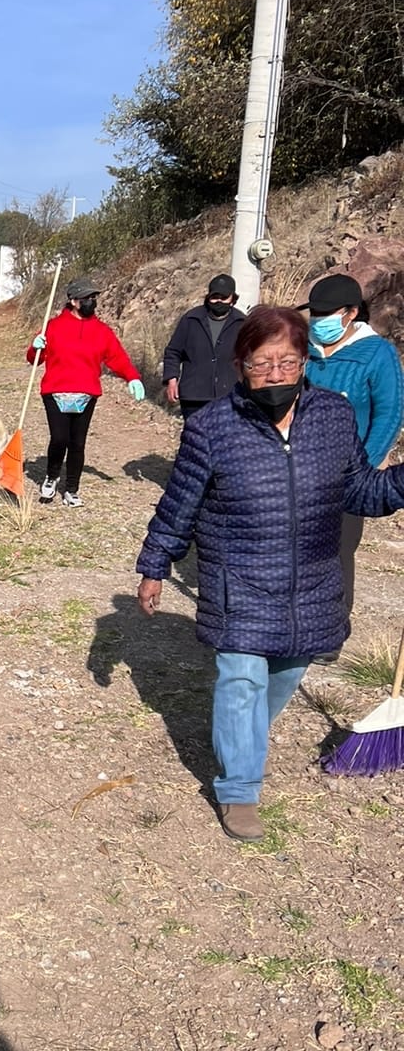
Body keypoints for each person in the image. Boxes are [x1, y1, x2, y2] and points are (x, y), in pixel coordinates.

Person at [136, 305, 404, 842]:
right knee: (241, 678)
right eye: (262, 363)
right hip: (239, 578)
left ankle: (241, 739)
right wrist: (155, 564)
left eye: (287, 361)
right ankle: (239, 788)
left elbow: (359, 491)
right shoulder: (213, 426)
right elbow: (180, 502)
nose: (276, 373)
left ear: (305, 361)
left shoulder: (332, 416)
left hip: (311, 583)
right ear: (241, 366)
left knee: (279, 678)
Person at [303, 271, 404, 616]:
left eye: (326, 314)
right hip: (297, 467)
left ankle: (331, 624)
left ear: (350, 313)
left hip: (346, 474)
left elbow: (389, 414)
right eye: (314, 314)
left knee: (337, 549)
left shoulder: (377, 354)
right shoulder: (302, 348)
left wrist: (363, 469)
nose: (318, 321)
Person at [26, 276, 145, 506]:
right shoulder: (53, 327)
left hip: (86, 393)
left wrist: (132, 377)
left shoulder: (102, 331)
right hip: (55, 391)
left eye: (93, 297)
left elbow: (116, 357)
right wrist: (35, 347)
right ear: (73, 300)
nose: (92, 301)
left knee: (77, 443)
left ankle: (71, 489)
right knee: (59, 439)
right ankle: (51, 478)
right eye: (87, 298)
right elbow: (34, 360)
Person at [161, 273, 245, 417]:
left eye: (224, 298)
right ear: (208, 297)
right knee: (195, 439)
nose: (219, 301)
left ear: (233, 299)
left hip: (230, 397)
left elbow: (252, 358)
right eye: (215, 297)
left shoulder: (242, 323)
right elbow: (173, 352)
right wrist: (172, 380)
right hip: (194, 398)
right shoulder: (191, 319)